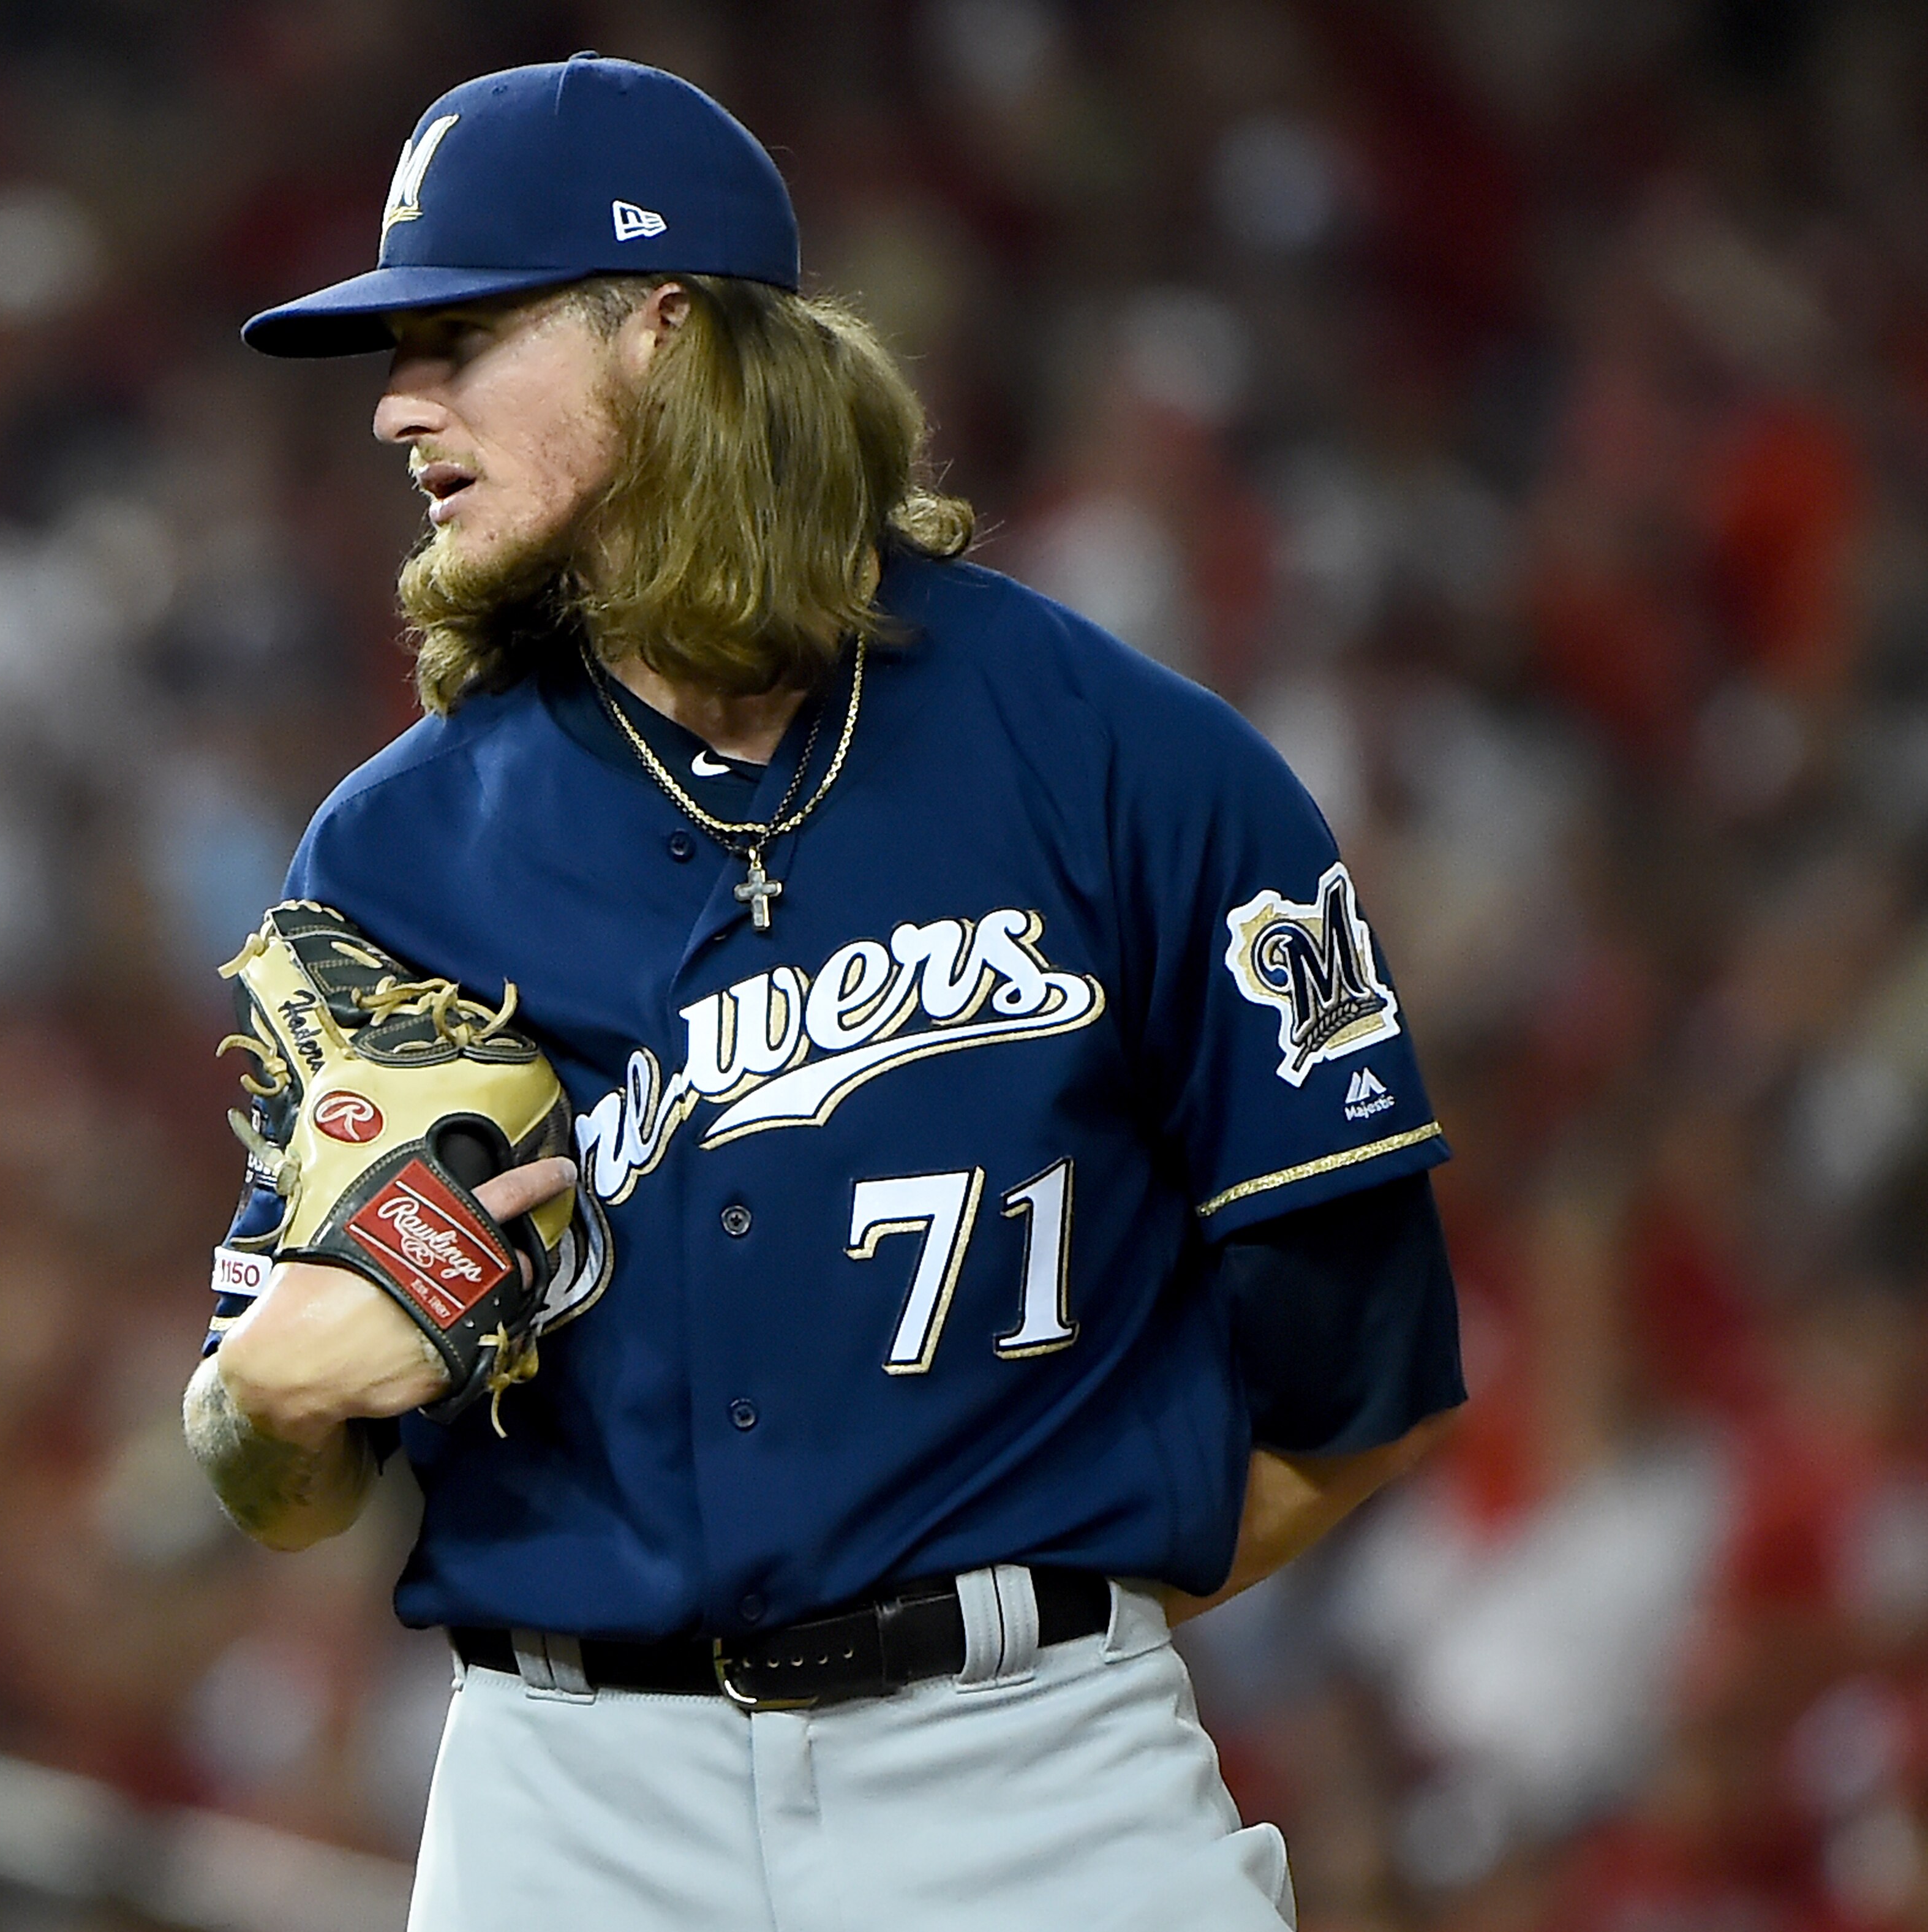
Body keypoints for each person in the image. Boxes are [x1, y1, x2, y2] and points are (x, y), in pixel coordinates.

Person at [181, 54, 1463, 1930]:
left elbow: (1365, 1383)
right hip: (567, 1806)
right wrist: (263, 1403)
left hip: (1037, 1780)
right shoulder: (394, 854)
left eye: (458, 336)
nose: (396, 403)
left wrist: (1027, 1632)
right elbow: (274, 1475)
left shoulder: (1128, 768)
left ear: (663, 331)